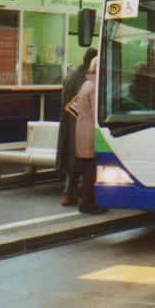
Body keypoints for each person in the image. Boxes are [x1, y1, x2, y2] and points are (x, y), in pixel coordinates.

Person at [56, 47, 96, 206]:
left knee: (72, 162)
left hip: (68, 124)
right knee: (84, 163)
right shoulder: (87, 80)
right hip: (82, 126)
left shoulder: (71, 75)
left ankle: (69, 193)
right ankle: (80, 196)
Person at [74, 56, 106, 214]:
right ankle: (87, 203)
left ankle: (86, 201)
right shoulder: (94, 87)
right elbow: (97, 114)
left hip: (82, 131)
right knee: (90, 170)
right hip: (90, 133)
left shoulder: (86, 84)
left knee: (87, 168)